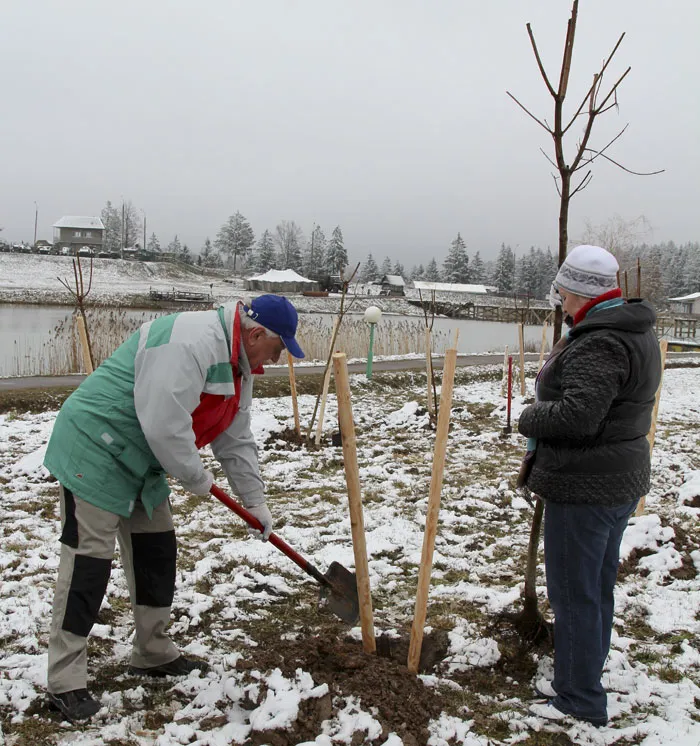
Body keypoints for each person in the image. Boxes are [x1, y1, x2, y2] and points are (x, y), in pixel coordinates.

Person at [43, 294, 305, 722]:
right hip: (96, 447)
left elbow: (235, 439)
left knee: (157, 552)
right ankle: (64, 683)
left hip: (144, 461)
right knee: (88, 565)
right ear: (256, 334)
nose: (275, 359)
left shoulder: (240, 365)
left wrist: (255, 501)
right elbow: (164, 423)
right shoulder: (190, 342)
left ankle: (152, 653)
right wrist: (197, 478)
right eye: (277, 349)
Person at [518, 245, 661, 727]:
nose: (559, 299)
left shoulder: (600, 341)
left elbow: (580, 415)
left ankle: (578, 699)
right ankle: (583, 675)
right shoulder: (632, 330)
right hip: (615, 478)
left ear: (579, 291)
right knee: (595, 587)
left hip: (586, 486)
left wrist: (529, 416)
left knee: (574, 590)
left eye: (561, 290)